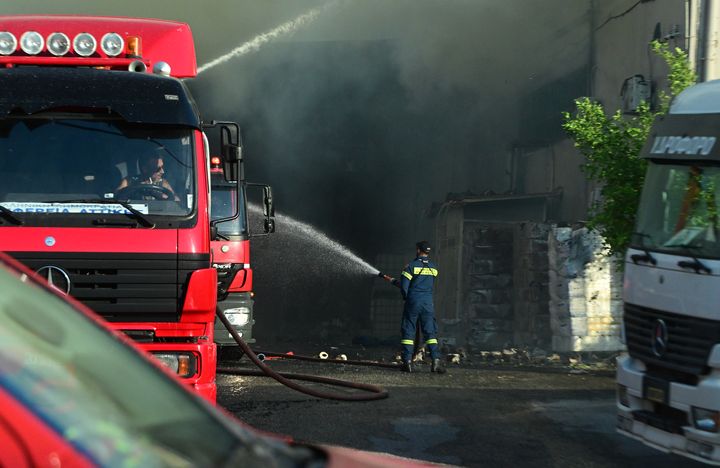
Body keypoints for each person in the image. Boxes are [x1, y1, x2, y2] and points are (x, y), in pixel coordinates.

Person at [399, 240, 444, 373]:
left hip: (413, 302)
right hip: (428, 303)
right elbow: (425, 284)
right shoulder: (434, 268)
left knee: (409, 330)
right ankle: (435, 361)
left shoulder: (411, 266)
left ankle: (407, 362)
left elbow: (404, 288)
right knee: (430, 332)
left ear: (418, 250)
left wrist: (406, 296)